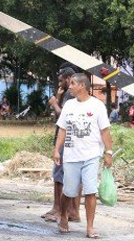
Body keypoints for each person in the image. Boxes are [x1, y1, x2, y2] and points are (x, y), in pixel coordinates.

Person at [54, 73, 113, 238]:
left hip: (92, 155)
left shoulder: (97, 106)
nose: (69, 86)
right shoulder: (69, 105)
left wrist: (108, 152)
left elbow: (105, 131)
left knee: (90, 191)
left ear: (82, 86)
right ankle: (63, 215)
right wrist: (56, 150)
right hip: (72, 156)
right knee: (69, 191)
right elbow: (62, 130)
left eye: (72, 83)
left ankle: (90, 228)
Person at [42, 66, 81, 223]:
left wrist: (53, 103)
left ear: (68, 78)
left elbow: (63, 116)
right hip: (69, 139)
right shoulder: (67, 94)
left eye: (61, 80)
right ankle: (63, 209)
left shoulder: (70, 95)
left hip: (66, 140)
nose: (62, 84)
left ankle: (64, 210)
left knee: (60, 176)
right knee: (67, 175)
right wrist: (58, 97)